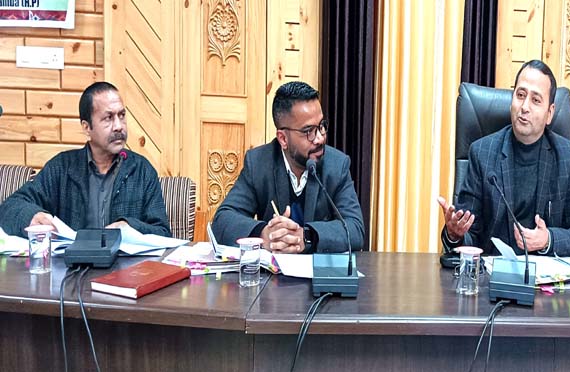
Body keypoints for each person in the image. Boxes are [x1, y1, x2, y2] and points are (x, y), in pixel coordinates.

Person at [437, 60, 570, 256]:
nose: (524, 106)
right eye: (520, 95)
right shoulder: (482, 153)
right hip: (493, 271)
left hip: (544, 274)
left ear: (550, 113)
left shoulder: (565, 157)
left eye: (536, 100)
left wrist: (548, 240)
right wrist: (455, 235)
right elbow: (469, 235)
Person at [0, 82, 171, 237]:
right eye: (108, 118)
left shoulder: (141, 170)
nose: (119, 126)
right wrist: (32, 216)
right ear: (86, 127)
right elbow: (10, 207)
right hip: (73, 261)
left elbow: (162, 232)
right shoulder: (62, 167)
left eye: (122, 115)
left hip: (123, 262)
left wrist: (129, 227)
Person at [212, 81, 364, 253]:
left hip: (316, 268)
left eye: (322, 126)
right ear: (283, 139)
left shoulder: (336, 165)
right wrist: (264, 235)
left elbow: (355, 228)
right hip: (273, 269)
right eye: (309, 131)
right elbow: (222, 221)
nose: (320, 138)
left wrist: (306, 237)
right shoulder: (259, 163)